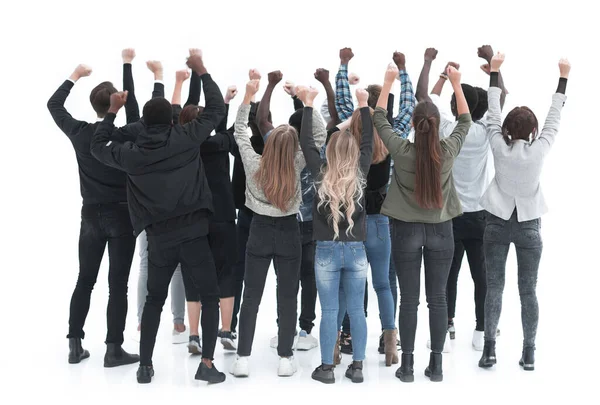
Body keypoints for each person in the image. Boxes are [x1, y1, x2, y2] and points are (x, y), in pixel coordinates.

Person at [90, 52, 226, 385]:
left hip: (159, 240)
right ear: (171, 121)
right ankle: (207, 364)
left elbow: (97, 145)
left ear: (143, 125)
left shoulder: (131, 155)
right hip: (194, 235)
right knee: (209, 297)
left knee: (154, 300)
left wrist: (112, 112)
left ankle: (145, 365)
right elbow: (217, 109)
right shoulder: (185, 138)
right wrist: (202, 71)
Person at [374, 62, 472, 383]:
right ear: (436, 125)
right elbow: (465, 121)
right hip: (442, 231)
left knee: (410, 300)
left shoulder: (402, 151)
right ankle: (438, 366)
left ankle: (408, 366)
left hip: (405, 231)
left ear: (414, 126)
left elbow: (379, 119)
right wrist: (456, 84)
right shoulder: (447, 151)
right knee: (438, 298)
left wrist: (388, 82)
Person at [478, 53, 570, 371]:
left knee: (494, 287)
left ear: (506, 129)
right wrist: (563, 77)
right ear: (532, 132)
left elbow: (492, 114)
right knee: (528, 289)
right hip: (529, 225)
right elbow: (554, 118)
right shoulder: (539, 149)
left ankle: (489, 350)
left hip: (496, 224)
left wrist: (495, 73)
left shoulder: (498, 146)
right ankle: (529, 352)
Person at [230, 77, 326, 378]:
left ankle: (242, 359)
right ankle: (286, 358)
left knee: (251, 298)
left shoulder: (254, 163)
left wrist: (247, 97)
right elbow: (318, 138)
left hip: (258, 231)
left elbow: (240, 133)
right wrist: (307, 102)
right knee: (288, 296)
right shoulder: (296, 163)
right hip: (288, 233)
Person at [416, 45, 507, 351]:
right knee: (481, 276)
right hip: (481, 216)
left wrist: (435, 67)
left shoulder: (448, 128)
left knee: (448, 276)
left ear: (456, 108)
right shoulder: (485, 130)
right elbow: (499, 99)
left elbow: (425, 97)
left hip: (450, 215)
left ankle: (449, 326)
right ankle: (481, 332)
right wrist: (493, 64)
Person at [48, 64, 139, 368]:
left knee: (85, 280)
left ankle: (75, 344)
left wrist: (74, 75)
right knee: (118, 285)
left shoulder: (80, 133)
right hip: (122, 215)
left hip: (90, 215)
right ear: (116, 105)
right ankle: (114, 350)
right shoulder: (126, 136)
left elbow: (54, 105)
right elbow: (138, 117)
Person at [301, 86, 373, 384]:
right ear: (355, 154)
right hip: (356, 250)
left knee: (329, 309)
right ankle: (357, 367)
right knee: (357, 309)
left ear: (328, 152)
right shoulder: (361, 174)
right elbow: (368, 142)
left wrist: (307, 105)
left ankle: (327, 368)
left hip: (326, 252)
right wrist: (364, 106)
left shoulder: (320, 173)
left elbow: (306, 141)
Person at [119, 48, 188, 346]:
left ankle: (141, 319)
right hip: (174, 211)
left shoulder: (134, 140)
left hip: (146, 213)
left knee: (146, 262)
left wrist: (128, 65)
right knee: (176, 265)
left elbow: (137, 107)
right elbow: (165, 109)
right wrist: (162, 78)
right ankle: (178, 321)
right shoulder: (174, 138)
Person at [173, 57, 240, 352]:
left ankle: (194, 336)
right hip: (223, 216)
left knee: (192, 276)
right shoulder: (218, 145)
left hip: (190, 220)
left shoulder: (176, 148)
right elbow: (227, 129)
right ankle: (226, 331)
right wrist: (240, 99)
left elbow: (216, 124)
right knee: (226, 273)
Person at [260, 70, 319, 352]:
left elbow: (262, 121)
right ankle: (305, 329)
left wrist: (270, 87)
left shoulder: (279, 150)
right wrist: (301, 99)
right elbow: (311, 130)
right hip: (311, 224)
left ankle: (286, 328)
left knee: (285, 280)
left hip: (287, 224)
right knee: (309, 278)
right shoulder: (313, 153)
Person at [230, 69, 266, 341]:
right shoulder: (271, 145)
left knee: (239, 269)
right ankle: (293, 330)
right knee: (282, 276)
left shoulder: (243, 146)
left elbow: (235, 130)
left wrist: (248, 97)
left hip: (245, 211)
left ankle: (229, 325)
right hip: (270, 215)